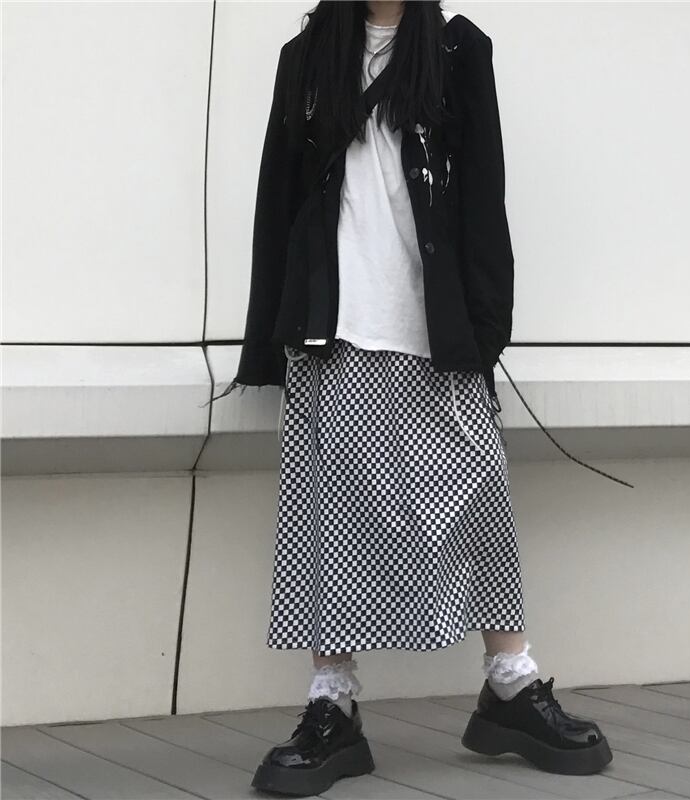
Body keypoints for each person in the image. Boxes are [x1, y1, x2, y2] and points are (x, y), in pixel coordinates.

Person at [210, 1, 613, 794]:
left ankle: (510, 686)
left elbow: (484, 193)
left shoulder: (458, 54)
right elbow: (279, 198)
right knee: (333, 512)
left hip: (437, 327)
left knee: (478, 496)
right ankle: (332, 705)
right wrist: (269, 335)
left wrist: (486, 328)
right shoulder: (308, 60)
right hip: (335, 327)